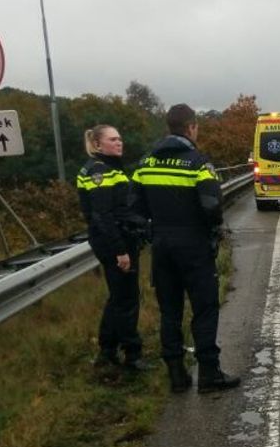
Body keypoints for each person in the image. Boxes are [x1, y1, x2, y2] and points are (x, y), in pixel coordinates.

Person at [129, 104, 239, 394]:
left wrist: (152, 231)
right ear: (191, 128)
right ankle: (208, 373)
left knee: (170, 310)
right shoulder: (198, 163)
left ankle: (176, 376)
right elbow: (212, 206)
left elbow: (134, 210)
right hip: (194, 246)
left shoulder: (145, 165)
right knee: (204, 308)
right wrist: (213, 230)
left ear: (169, 127)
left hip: (162, 247)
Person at [77, 125, 150, 372]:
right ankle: (132, 355)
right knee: (127, 299)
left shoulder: (108, 168)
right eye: (113, 139)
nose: (119, 143)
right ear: (98, 145)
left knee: (118, 298)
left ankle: (107, 350)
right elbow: (103, 215)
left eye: (120, 138)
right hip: (114, 243)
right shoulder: (98, 171)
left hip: (117, 240)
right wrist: (120, 250)